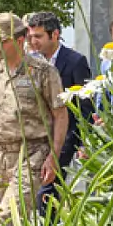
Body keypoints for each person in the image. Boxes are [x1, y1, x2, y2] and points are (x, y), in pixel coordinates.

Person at [0, 13, 67, 226]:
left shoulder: (43, 71)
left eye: (1, 42)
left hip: (32, 154)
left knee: (7, 220)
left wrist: (54, 155)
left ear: (19, 41)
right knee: (13, 222)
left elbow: (60, 115)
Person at [25, 11, 92, 210]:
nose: (33, 41)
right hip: (35, 136)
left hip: (64, 137)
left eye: (38, 36)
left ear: (54, 35)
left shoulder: (75, 61)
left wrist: (83, 141)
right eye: (31, 37)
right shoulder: (30, 63)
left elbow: (85, 105)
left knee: (47, 187)